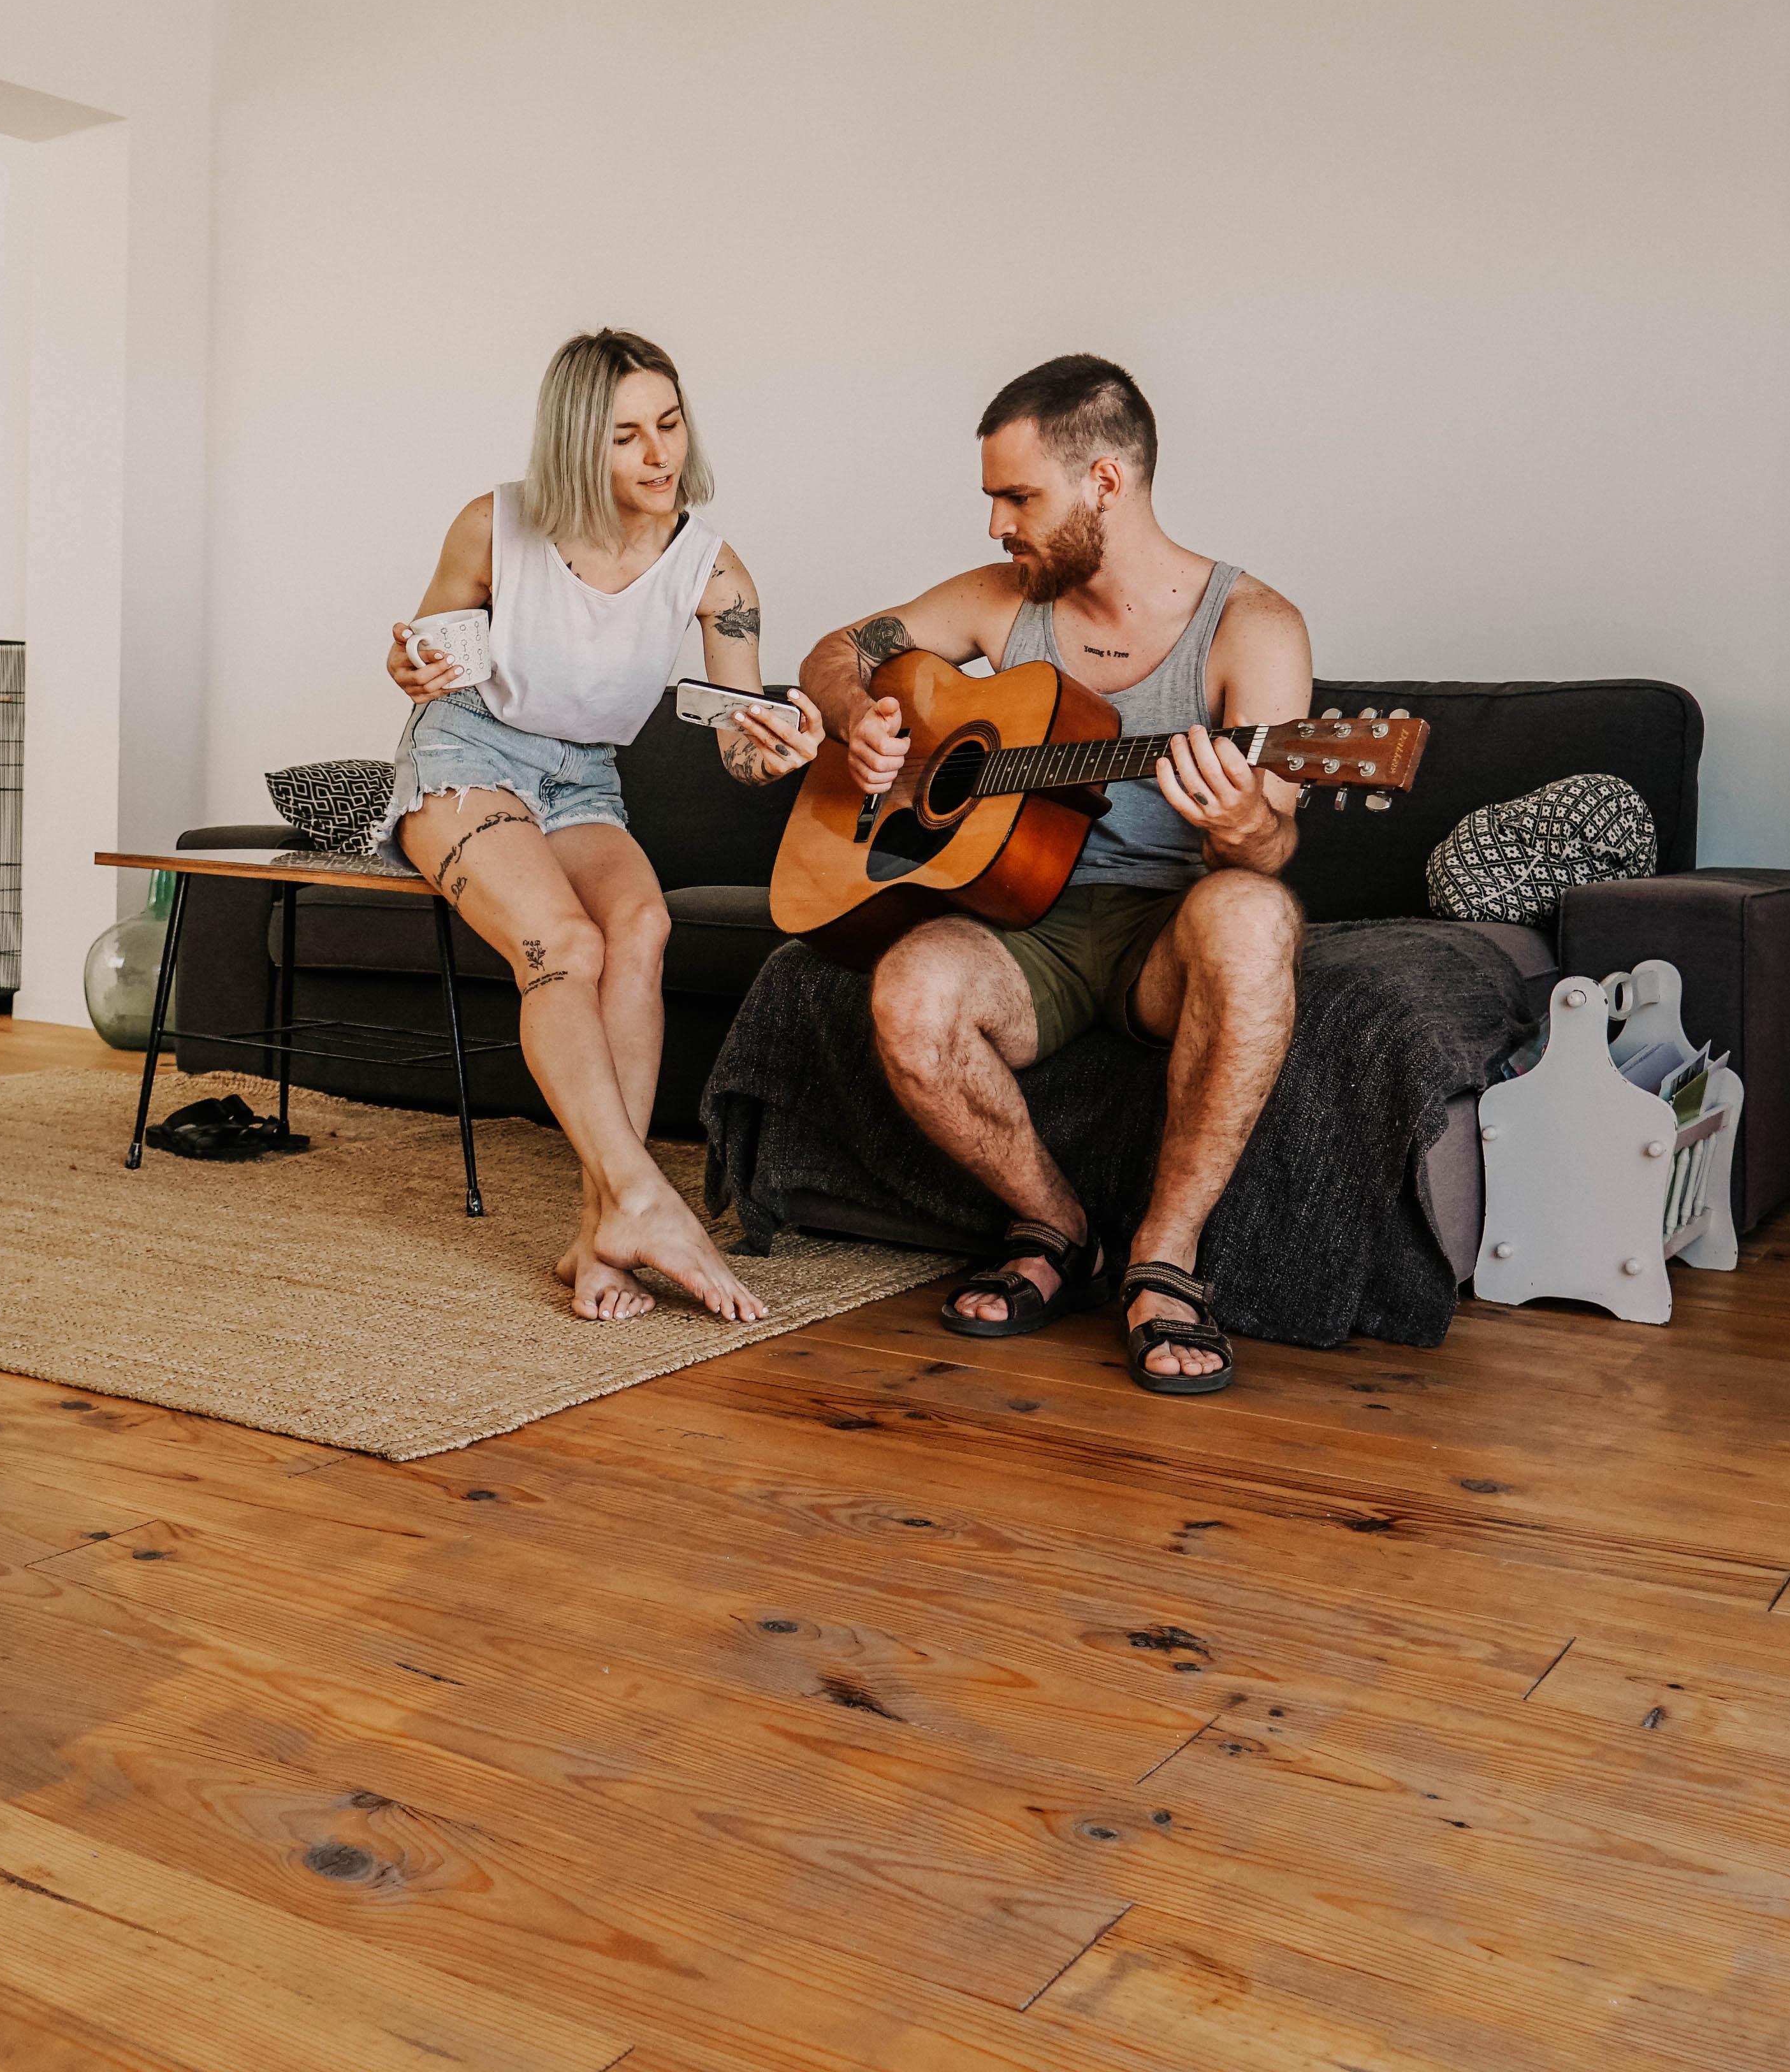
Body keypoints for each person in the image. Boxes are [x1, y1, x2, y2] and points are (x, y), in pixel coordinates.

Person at [796, 356, 1311, 1395]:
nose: (996, 524)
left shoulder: (1253, 629)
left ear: (1106, 483)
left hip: (1168, 935)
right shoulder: (1002, 601)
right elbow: (838, 650)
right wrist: (861, 721)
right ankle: (1055, 1224)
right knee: (909, 986)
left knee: (1254, 912)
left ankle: (1163, 1259)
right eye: (994, 496)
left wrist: (1243, 823)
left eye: (1018, 496)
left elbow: (1274, 844)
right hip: (1023, 919)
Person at [388, 328, 823, 1322]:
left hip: (585, 779)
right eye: (627, 436)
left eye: (669, 425)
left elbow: (736, 741)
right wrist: (408, 664)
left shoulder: (716, 576)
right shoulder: (492, 527)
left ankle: (600, 1236)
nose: (660, 455)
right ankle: (642, 1200)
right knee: (564, 943)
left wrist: (775, 746)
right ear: (579, 444)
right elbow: (421, 656)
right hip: (466, 754)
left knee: (643, 928)